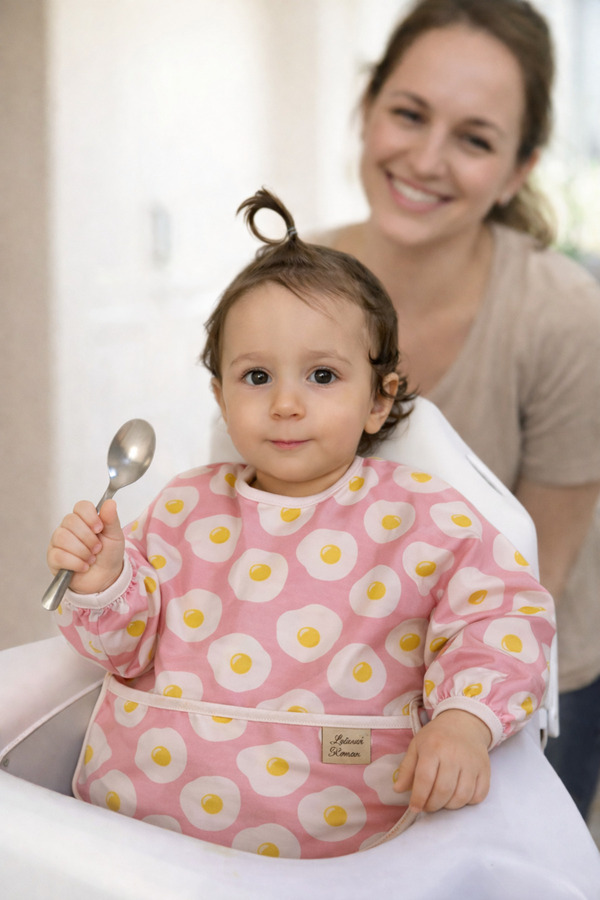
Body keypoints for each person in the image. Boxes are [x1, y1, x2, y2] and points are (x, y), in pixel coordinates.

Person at [47, 188, 554, 860]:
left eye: (321, 375)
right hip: (138, 843)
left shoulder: (421, 517)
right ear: (221, 395)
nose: (285, 403)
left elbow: (506, 618)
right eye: (256, 376)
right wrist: (105, 580)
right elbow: (122, 652)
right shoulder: (181, 506)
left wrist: (465, 723)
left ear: (379, 398)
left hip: (335, 849)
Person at [316, 0, 600, 822]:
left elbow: (534, 575)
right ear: (369, 111)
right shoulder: (286, 288)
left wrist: (456, 720)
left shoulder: (563, 320)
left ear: (518, 170)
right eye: (409, 114)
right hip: (330, 663)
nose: (428, 158)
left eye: (475, 139)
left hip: (518, 676)